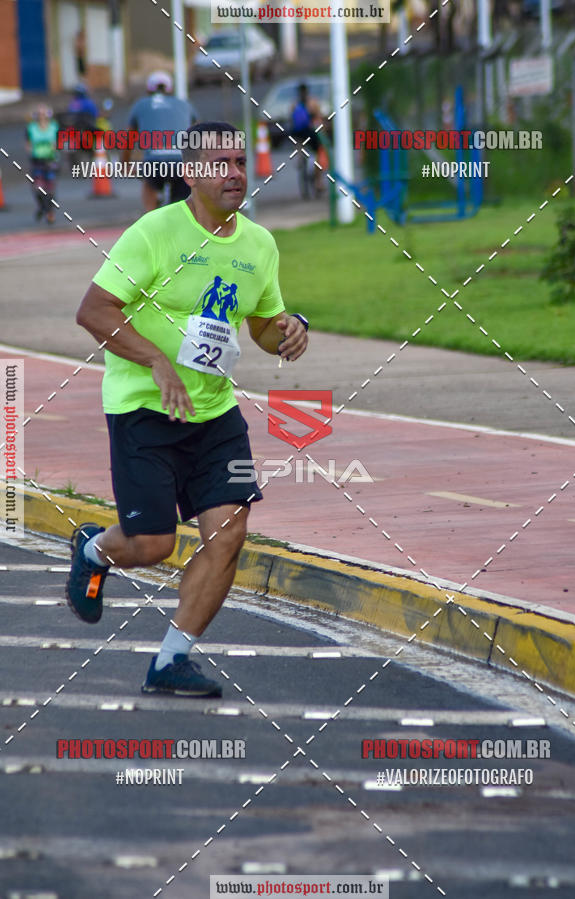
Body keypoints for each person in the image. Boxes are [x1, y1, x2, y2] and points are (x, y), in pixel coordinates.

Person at [66, 121, 309, 698]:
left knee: (227, 533)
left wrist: (292, 331)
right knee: (153, 545)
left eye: (241, 162)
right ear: (189, 171)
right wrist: (155, 360)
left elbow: (262, 329)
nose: (234, 173)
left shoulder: (259, 245)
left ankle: (171, 660)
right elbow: (94, 311)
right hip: (144, 408)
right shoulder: (154, 233)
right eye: (220, 162)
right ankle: (93, 549)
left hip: (215, 414)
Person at [123, 71, 196, 212]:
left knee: (149, 183)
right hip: (181, 161)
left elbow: (128, 140)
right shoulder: (184, 104)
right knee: (183, 207)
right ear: (171, 89)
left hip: (154, 160)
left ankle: (150, 218)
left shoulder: (140, 105)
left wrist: (125, 165)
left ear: (148, 89)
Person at [25, 104, 60, 224]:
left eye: (44, 113)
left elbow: (58, 141)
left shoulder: (54, 127)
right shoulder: (31, 128)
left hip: (50, 161)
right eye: (39, 114)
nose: (42, 116)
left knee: (50, 189)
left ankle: (50, 213)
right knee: (38, 189)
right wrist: (31, 151)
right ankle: (42, 208)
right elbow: (28, 143)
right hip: (37, 161)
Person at [290, 83, 325, 195]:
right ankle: (318, 183)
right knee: (317, 156)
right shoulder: (313, 103)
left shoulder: (295, 104)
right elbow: (319, 119)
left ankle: (299, 157)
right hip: (310, 133)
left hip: (299, 134)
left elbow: (292, 121)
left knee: (299, 145)